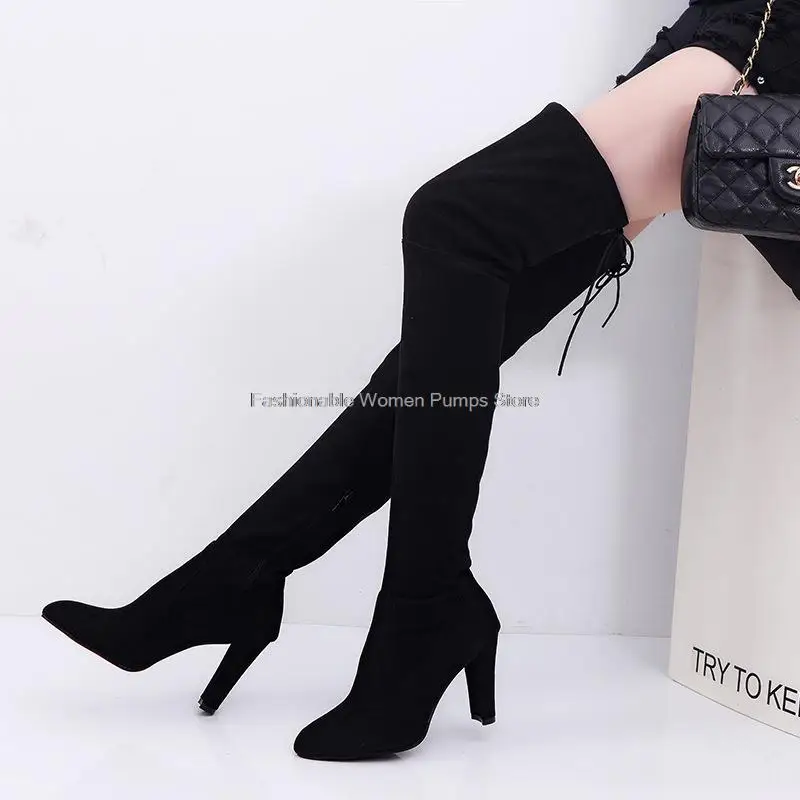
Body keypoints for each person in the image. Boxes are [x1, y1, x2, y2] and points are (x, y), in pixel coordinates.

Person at [41, 0, 800, 761]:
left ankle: (413, 605)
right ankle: (240, 578)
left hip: (762, 45)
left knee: (457, 223)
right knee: (451, 335)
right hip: (719, 37)